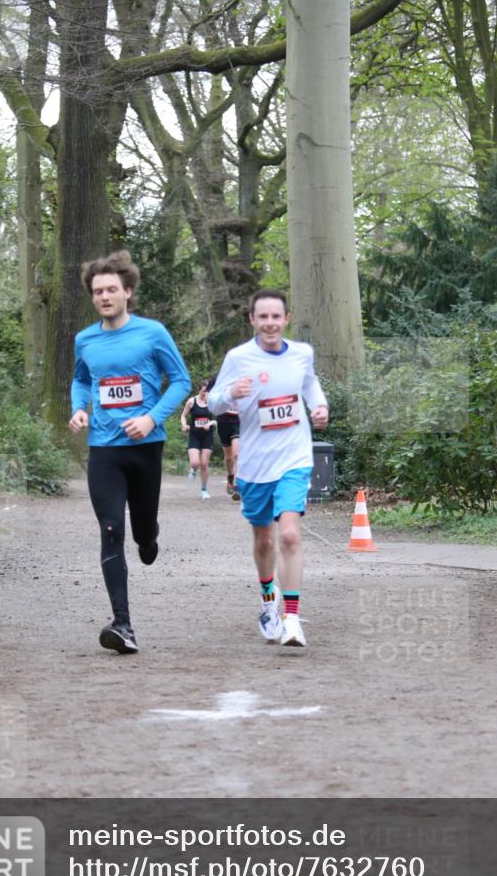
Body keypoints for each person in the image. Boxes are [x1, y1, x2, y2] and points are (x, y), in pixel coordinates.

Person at [69, 250, 191, 655]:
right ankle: (123, 624)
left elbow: (180, 380)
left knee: (141, 529)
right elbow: (82, 381)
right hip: (103, 449)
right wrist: (79, 409)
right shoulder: (85, 340)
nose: (104, 296)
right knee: (110, 530)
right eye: (97, 291)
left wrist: (152, 420)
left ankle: (149, 537)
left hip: (145, 448)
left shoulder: (152, 333)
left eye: (111, 289)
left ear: (128, 291)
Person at [208, 288, 329, 648]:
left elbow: (310, 385)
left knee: (289, 534)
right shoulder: (238, 358)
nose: (270, 323)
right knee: (264, 538)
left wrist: (319, 407)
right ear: (252, 320)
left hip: (294, 456)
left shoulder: (302, 354)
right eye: (263, 317)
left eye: (276, 316)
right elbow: (212, 403)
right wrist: (230, 392)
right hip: (256, 466)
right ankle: (267, 600)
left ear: (286, 319)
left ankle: (291, 619)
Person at [180, 380, 216, 500]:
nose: (205, 394)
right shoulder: (192, 401)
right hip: (194, 434)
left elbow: (219, 420)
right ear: (199, 390)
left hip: (207, 435)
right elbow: (183, 416)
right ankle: (193, 469)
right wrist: (184, 425)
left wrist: (210, 423)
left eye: (207, 392)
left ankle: (204, 490)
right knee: (195, 462)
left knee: (204, 464)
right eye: (203, 391)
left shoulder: (212, 403)